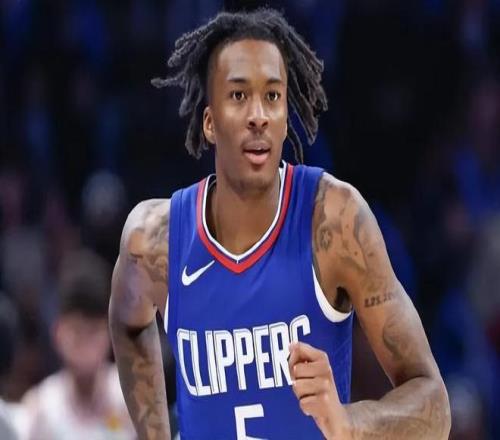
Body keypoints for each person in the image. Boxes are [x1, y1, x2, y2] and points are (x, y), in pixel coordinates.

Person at [109, 8, 451, 439]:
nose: (259, 115)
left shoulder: (334, 221)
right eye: (238, 96)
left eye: (272, 96)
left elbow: (435, 406)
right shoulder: (155, 241)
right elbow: (129, 324)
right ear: (209, 122)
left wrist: (347, 422)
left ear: (286, 118)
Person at [23, 249, 135, 440]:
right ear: (57, 333)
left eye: (93, 331)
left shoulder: (132, 400)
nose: (85, 346)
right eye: (76, 332)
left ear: (110, 333)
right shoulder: (40, 409)